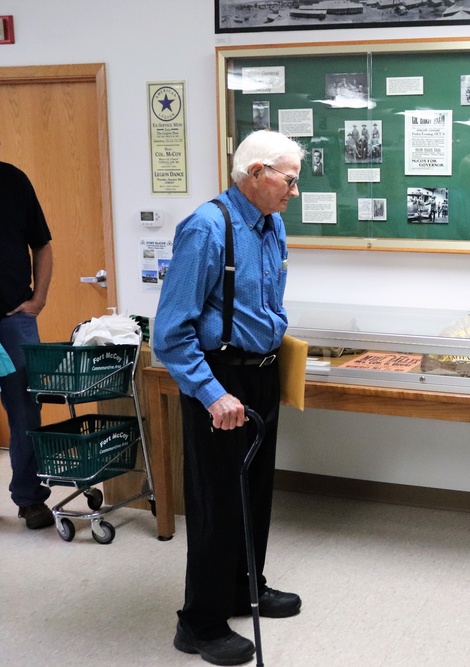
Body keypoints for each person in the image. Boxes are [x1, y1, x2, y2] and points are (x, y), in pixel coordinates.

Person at [154, 130, 305, 666]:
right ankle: (199, 622)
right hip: (219, 380)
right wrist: (212, 392)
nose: (294, 189)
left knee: (256, 490)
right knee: (217, 500)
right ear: (257, 172)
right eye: (289, 179)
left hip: (261, 375)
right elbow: (170, 331)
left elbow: (267, 301)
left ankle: (246, 587)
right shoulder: (207, 228)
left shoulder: (272, 224)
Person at [0, 160, 55, 530]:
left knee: (25, 410)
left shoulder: (13, 181)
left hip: (13, 319)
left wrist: (39, 299)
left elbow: (42, 244)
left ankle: (30, 498)